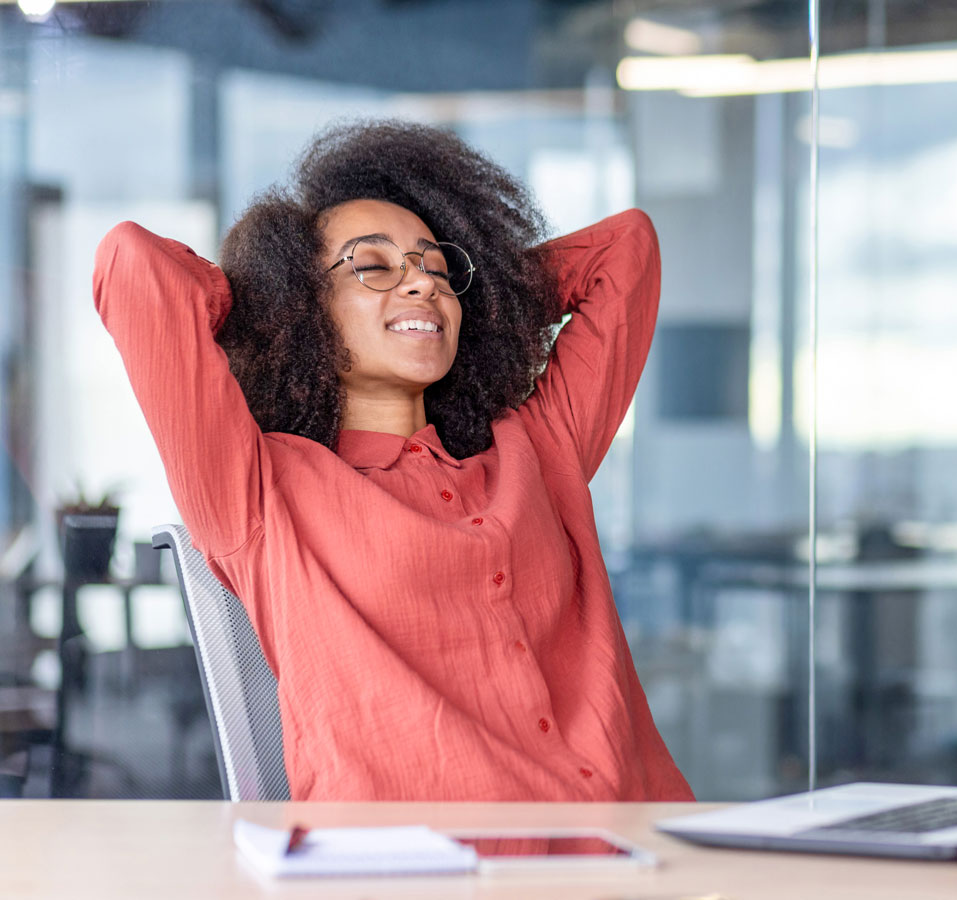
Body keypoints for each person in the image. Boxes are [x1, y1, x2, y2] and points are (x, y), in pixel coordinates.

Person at [92, 120, 693, 802]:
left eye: (438, 268)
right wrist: (265, 298)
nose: (421, 286)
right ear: (302, 305)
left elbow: (627, 249)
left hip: (634, 847)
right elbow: (132, 265)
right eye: (371, 267)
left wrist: (490, 285)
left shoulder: (536, 449)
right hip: (419, 864)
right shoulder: (259, 492)